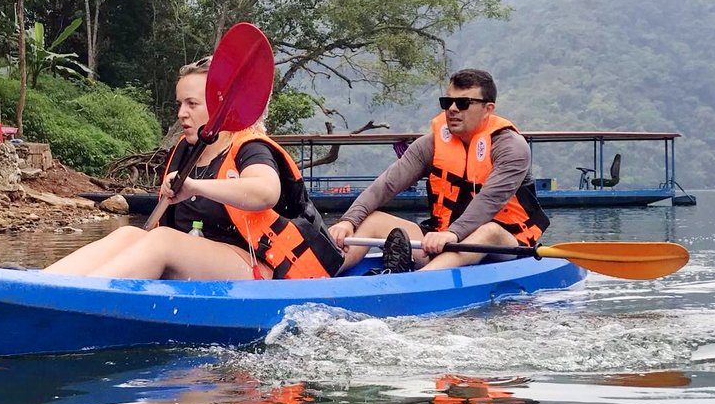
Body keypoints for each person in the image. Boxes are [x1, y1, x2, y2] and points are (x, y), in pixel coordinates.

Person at [43, 57, 342, 281]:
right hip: (199, 257)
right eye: (179, 104)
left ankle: (83, 298)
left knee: (162, 242)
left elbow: (265, 191)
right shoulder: (186, 150)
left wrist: (196, 187)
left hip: (256, 267)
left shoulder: (250, 147)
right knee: (130, 236)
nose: (181, 113)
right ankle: (45, 284)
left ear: (220, 107)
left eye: (192, 104)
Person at [328, 68, 550, 273]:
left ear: (487, 109)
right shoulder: (431, 144)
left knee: (488, 231)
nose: (452, 109)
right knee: (371, 219)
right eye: (447, 102)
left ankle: (416, 283)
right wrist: (349, 220)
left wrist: (452, 234)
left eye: (463, 103)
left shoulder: (511, 147)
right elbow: (386, 185)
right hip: (443, 242)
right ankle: (321, 276)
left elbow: (489, 202)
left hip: (505, 244)